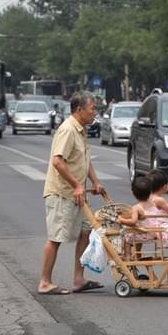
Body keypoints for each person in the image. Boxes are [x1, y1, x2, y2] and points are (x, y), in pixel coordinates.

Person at [39, 92, 106, 295]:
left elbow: (85, 160)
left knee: (86, 231)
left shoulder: (81, 131)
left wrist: (95, 181)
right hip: (62, 193)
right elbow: (57, 161)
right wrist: (77, 185)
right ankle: (45, 282)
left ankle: (79, 279)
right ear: (79, 110)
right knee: (56, 237)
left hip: (78, 193)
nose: (95, 112)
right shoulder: (68, 130)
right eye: (93, 108)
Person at [117, 175, 168, 259]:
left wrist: (121, 220)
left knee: (127, 235)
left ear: (133, 193)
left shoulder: (136, 207)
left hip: (144, 233)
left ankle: (128, 255)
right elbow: (167, 211)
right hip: (155, 231)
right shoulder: (153, 203)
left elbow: (133, 221)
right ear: (150, 192)